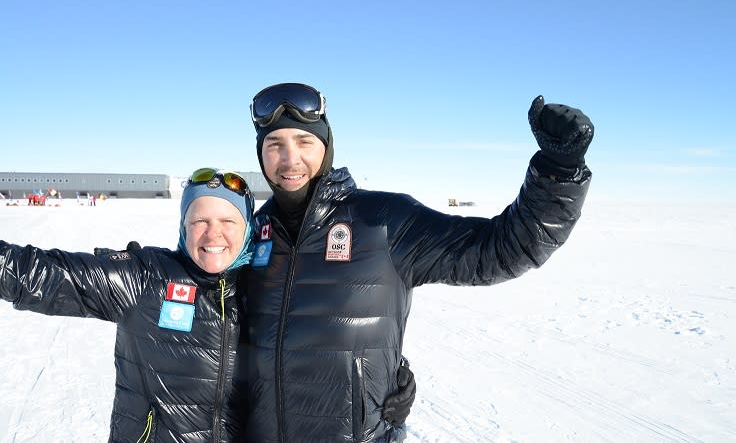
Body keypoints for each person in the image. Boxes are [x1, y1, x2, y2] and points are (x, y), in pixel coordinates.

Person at [237, 82, 594, 442]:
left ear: (326, 146)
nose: (290, 159)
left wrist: (558, 171)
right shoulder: (248, 233)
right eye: (274, 145)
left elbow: (500, 249)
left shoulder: (385, 220)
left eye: (304, 142)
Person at [1, 168, 256, 442]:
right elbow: (43, 274)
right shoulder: (146, 278)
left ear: (247, 228)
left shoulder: (267, 288)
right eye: (199, 221)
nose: (213, 234)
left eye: (228, 221)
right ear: (184, 227)